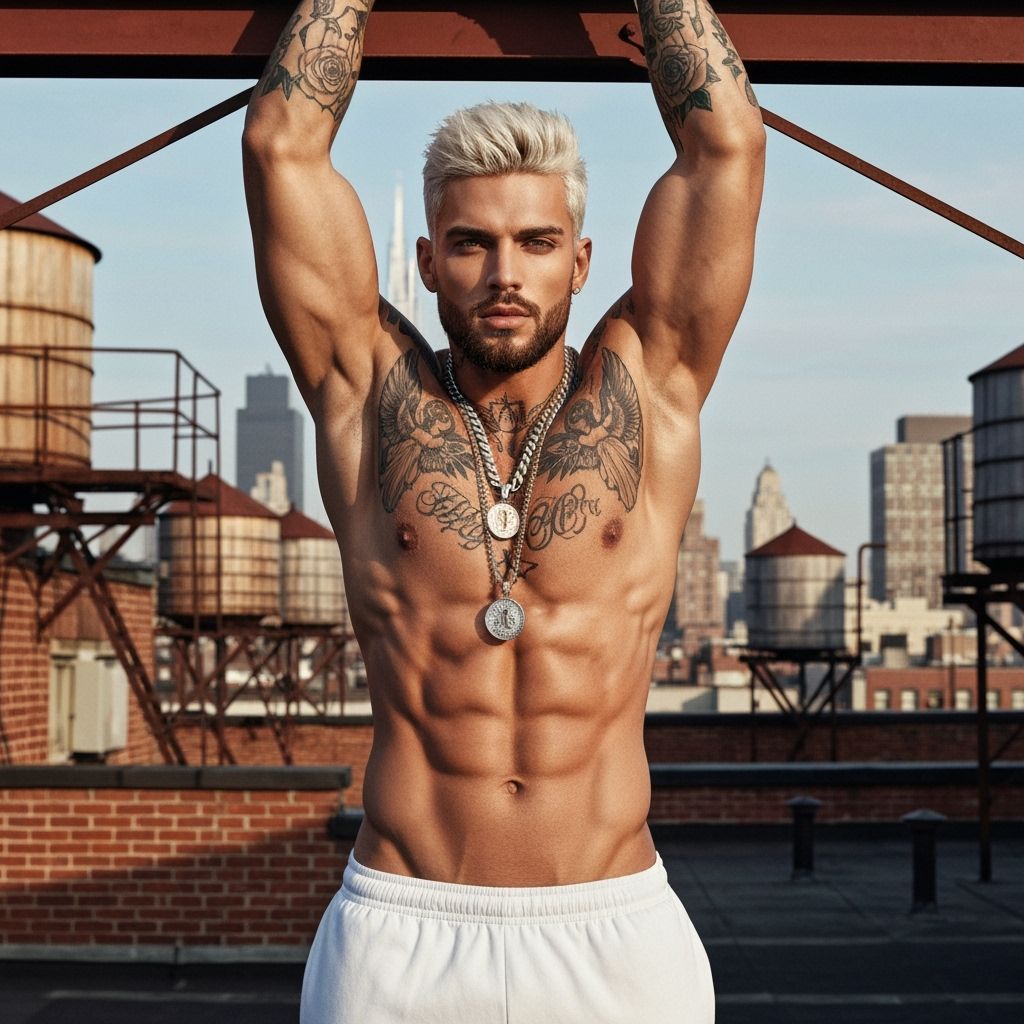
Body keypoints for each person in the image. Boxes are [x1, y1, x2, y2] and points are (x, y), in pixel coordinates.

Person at [242, 1, 764, 1020]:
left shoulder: (650, 383)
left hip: (615, 931)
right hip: (401, 927)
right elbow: (280, 143)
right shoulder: (368, 391)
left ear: (580, 258)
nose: (505, 275)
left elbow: (726, 141)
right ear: (430, 261)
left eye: (535, 242)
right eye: (472, 244)